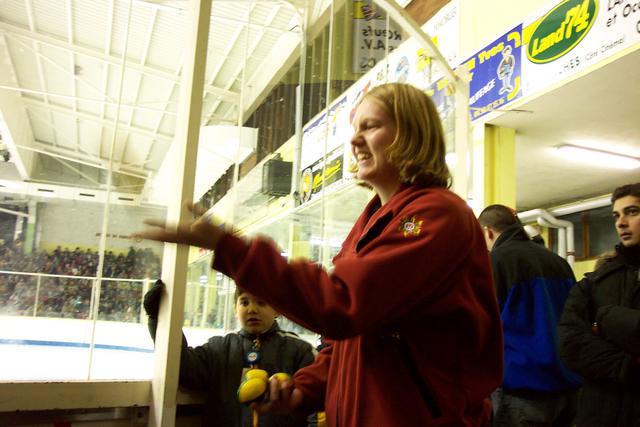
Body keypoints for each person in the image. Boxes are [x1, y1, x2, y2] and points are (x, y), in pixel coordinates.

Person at [135, 82, 503, 426]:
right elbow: (352, 343)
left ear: (410, 133)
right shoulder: (370, 223)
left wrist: (233, 250)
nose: (355, 140)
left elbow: (344, 306)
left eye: (370, 126)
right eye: (354, 128)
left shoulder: (436, 215)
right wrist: (302, 390)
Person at [143, 280, 316, 427]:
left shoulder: (299, 351)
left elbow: (317, 401)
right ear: (235, 308)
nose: (252, 309)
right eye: (244, 302)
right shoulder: (219, 349)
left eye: (261, 302)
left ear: (278, 309)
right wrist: (159, 318)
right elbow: (182, 365)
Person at [478, 205, 581, 426]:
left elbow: (483, 324)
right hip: (568, 385)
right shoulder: (560, 263)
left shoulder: (496, 262)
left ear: (488, 232)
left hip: (522, 389)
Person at [558, 183, 640, 426]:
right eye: (616, 215)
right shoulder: (596, 282)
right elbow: (571, 343)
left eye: (632, 212)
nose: (621, 223)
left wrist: (607, 321)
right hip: (600, 413)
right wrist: (630, 367)